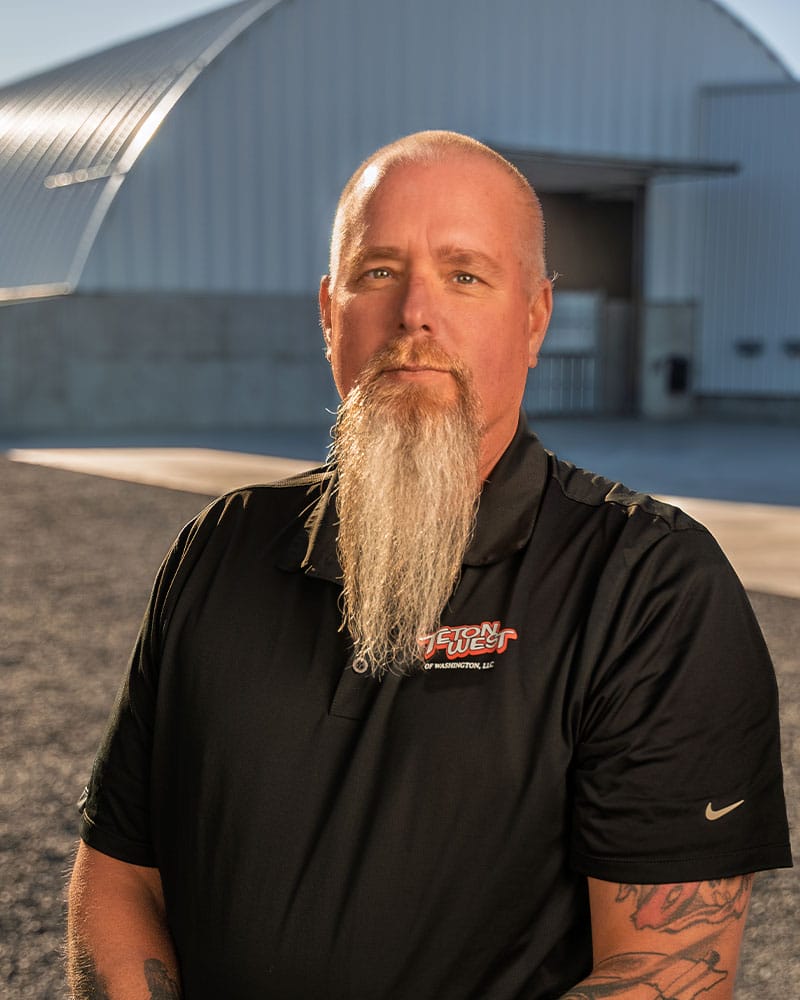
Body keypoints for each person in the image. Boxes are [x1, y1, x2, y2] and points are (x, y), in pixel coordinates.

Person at [67, 131, 791, 1000]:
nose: (415, 312)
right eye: (379, 271)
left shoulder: (649, 584)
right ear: (330, 312)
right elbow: (120, 872)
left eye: (465, 275)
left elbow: (663, 969)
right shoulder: (221, 547)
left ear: (534, 320)